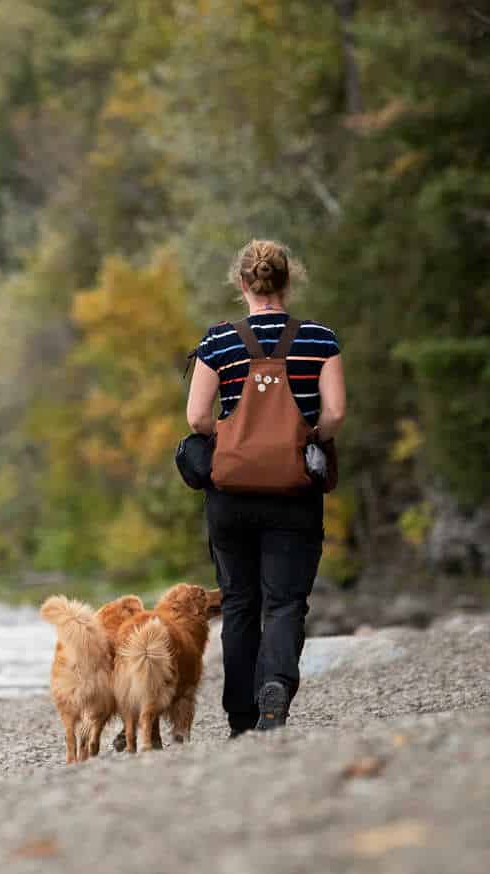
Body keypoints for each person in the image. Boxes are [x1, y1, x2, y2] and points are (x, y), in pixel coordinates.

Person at [186, 239, 346, 737]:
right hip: (294, 492)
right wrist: (302, 439)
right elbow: (336, 413)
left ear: (243, 284)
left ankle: (239, 715)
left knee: (238, 602)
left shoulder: (218, 341)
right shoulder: (320, 339)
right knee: (285, 601)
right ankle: (274, 686)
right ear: (287, 281)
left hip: (230, 495)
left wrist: (235, 440)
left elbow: (196, 417)